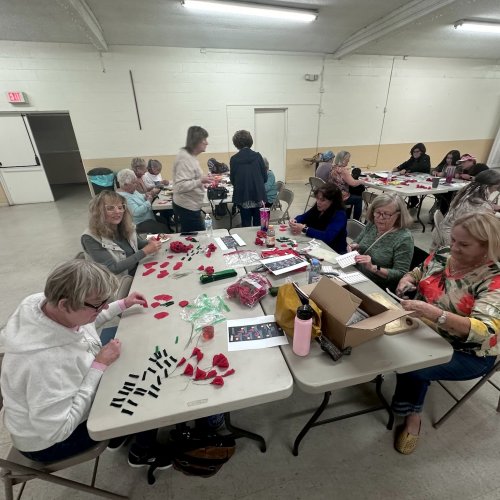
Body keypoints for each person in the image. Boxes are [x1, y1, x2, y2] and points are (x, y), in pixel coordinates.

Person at [0, 260, 171, 468]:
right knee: (146, 394)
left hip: (58, 406)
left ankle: (121, 435)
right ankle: (141, 452)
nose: (105, 306)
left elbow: (85, 323)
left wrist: (122, 304)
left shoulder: (46, 305)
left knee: (134, 366)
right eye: (99, 304)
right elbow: (59, 430)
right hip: (48, 443)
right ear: (64, 304)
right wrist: (98, 367)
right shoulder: (42, 363)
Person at [391, 213, 500, 455]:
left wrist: (435, 314)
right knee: (388, 342)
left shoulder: (494, 278)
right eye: (453, 240)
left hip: (468, 352)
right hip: (427, 328)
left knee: (413, 364)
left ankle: (413, 416)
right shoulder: (444, 254)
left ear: (487, 246)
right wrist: (407, 279)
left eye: (463, 244)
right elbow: (419, 271)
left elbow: (487, 330)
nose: (454, 248)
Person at [81, 191, 162, 276]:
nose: (117, 211)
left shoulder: (123, 225)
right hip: (120, 282)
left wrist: (149, 242)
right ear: (98, 212)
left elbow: (136, 244)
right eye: (110, 208)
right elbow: (112, 269)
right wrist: (145, 251)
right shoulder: (90, 238)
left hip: (138, 270)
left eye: (120, 207)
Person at [349, 193, 414, 291]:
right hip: (355, 274)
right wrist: (353, 247)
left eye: (386, 214)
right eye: (377, 212)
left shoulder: (404, 238)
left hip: (376, 286)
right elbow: (356, 242)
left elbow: (400, 273)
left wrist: (373, 268)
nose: (380, 218)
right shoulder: (373, 224)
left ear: (398, 215)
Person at [431, 169, 500, 252]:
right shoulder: (481, 204)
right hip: (452, 238)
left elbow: (473, 208)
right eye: (495, 188)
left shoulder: (467, 191)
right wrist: (491, 210)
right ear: (487, 186)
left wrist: (490, 206)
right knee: (490, 240)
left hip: (444, 230)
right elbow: (485, 218)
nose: (495, 190)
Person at [172, 126, 212, 232]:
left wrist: (202, 182)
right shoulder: (185, 159)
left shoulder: (190, 156)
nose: (207, 143)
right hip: (187, 206)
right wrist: (200, 181)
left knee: (194, 235)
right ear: (197, 141)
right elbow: (180, 186)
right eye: (204, 140)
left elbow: (191, 178)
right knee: (197, 237)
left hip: (190, 205)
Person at [289, 184, 347, 254]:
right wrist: (295, 220)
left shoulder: (339, 215)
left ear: (333, 201)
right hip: (317, 245)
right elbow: (304, 216)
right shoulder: (319, 207)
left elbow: (327, 237)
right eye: (317, 198)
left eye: (323, 200)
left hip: (333, 251)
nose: (318, 202)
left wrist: (304, 229)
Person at [229, 130, 267, 227]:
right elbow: (265, 178)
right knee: (259, 226)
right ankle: (259, 241)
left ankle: (247, 241)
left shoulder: (234, 159)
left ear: (236, 144)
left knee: (245, 225)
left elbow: (233, 180)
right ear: (250, 141)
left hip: (243, 197)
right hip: (258, 196)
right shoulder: (258, 156)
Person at [116, 169, 169, 234]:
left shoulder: (131, 190)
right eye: (133, 183)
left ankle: (167, 237)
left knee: (163, 220)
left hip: (147, 218)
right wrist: (148, 201)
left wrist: (145, 195)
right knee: (161, 227)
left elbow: (139, 197)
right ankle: (164, 240)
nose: (136, 184)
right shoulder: (124, 197)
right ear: (125, 184)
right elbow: (136, 212)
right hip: (139, 223)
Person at [329, 151, 366, 220]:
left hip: (333, 194)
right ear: (342, 160)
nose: (348, 161)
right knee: (358, 199)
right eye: (347, 159)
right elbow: (353, 183)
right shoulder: (343, 170)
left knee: (352, 194)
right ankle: (356, 220)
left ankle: (348, 215)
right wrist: (362, 181)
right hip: (341, 196)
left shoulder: (333, 167)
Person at [393, 143, 431, 209]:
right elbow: (406, 163)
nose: (415, 153)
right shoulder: (413, 158)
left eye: (417, 151)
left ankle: (414, 200)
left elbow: (418, 166)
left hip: (423, 180)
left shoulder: (426, 157)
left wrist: (407, 170)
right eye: (414, 152)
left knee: (410, 185)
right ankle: (414, 200)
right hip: (415, 178)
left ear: (422, 152)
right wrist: (398, 168)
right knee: (406, 184)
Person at [431, 150, 460, 216]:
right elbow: (433, 170)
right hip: (440, 185)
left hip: (451, 188)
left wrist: (444, 174)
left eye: (451, 158)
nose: (448, 160)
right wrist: (435, 172)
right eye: (447, 158)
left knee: (446, 196)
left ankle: (441, 214)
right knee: (437, 193)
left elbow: (457, 177)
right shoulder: (443, 165)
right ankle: (438, 212)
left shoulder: (458, 167)